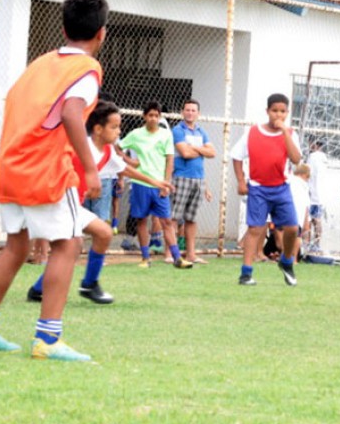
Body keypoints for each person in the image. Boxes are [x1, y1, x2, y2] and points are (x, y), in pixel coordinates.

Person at [0, 0, 108, 362]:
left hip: (14, 165)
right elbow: (74, 114)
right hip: (46, 170)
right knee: (68, 244)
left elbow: (14, 104)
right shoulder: (86, 70)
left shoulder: (40, 64)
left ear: (63, 29)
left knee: (16, 245)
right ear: (101, 34)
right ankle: (48, 338)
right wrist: (90, 169)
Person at [26, 100, 173, 305]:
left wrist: (156, 182)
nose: (119, 132)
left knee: (99, 235)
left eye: (119, 127)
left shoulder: (108, 151)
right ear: (97, 129)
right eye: (114, 127)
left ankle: (46, 288)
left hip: (71, 205)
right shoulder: (81, 145)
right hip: (56, 201)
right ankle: (80, 285)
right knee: (73, 245)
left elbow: (124, 169)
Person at [232, 93, 304, 286]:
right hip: (258, 188)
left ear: (287, 113)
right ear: (267, 111)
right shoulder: (253, 132)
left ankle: (287, 261)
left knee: (292, 228)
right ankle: (246, 273)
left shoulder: (290, 133)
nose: (278, 115)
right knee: (255, 229)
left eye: (282, 111)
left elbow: (296, 159)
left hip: (281, 188)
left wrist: (285, 133)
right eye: (274, 111)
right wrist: (241, 181)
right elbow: (237, 156)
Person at [120, 101, 193, 269]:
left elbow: (169, 160)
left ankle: (177, 258)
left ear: (160, 117)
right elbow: (118, 147)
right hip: (140, 184)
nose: (153, 118)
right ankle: (145, 258)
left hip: (159, 185)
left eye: (156, 115)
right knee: (141, 221)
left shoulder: (166, 135)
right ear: (144, 116)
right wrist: (130, 161)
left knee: (166, 221)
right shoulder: (136, 134)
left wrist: (166, 184)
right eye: (150, 115)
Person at [170, 99, 215, 264]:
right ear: (183, 112)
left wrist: (195, 148)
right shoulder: (177, 130)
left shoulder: (201, 132)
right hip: (181, 177)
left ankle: (191, 255)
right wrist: (203, 151)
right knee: (174, 218)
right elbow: (184, 153)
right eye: (187, 110)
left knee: (191, 219)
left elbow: (213, 152)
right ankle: (170, 254)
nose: (190, 113)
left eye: (193, 110)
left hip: (199, 179)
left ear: (198, 113)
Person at [305, 140, 328, 254]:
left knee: (309, 220)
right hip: (321, 196)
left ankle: (308, 243)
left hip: (311, 194)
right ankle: (317, 244)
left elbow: (308, 173)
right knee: (318, 221)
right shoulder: (324, 158)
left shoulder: (312, 156)